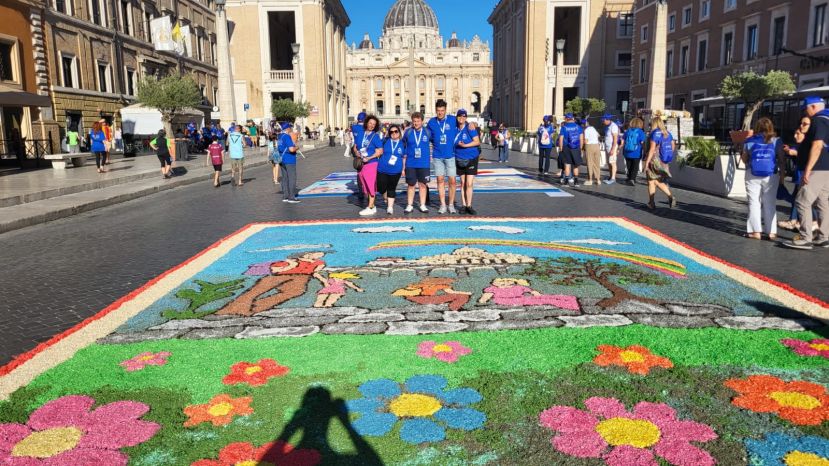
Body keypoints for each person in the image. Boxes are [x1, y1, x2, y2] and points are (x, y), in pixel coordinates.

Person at [782, 96, 829, 250]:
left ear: (813, 107)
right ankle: (824, 236)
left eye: (805, 108)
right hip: (826, 168)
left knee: (802, 201)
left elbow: (817, 146)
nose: (805, 112)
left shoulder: (819, 120)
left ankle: (805, 237)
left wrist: (807, 170)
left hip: (817, 168)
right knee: (822, 203)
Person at [216, 252, 327, 316]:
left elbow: (315, 272)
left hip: (302, 278)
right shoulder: (290, 261)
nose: (318, 256)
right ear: (307, 254)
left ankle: (255, 307)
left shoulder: (319, 263)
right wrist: (291, 265)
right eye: (317, 253)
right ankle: (231, 309)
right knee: (257, 290)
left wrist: (324, 281)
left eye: (320, 255)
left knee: (296, 291)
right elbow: (275, 270)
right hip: (278, 276)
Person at [741, 117, 783, 241]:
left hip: (752, 174)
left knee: (754, 202)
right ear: (771, 127)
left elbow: (744, 160)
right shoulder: (776, 141)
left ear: (757, 127)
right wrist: (782, 176)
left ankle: (755, 232)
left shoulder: (749, 140)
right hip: (771, 175)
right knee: (770, 203)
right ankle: (771, 232)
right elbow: (781, 159)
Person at [780, 118, 813, 231]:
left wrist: (795, 153)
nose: (795, 136)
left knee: (803, 200)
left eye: (797, 133)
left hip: (805, 176)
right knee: (797, 199)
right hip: (798, 176)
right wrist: (789, 151)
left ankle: (800, 221)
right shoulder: (798, 146)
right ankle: (794, 220)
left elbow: (811, 157)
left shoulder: (808, 146)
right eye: (795, 133)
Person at [428, 99, 459, 214]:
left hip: (450, 155)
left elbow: (462, 124)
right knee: (440, 180)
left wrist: (471, 124)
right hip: (437, 156)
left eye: (442, 110)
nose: (440, 113)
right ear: (435, 111)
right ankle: (442, 204)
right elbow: (429, 137)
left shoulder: (452, 120)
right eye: (438, 110)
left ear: (446, 110)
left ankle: (451, 204)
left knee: (452, 181)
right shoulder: (431, 122)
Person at [643, 116, 677, 209]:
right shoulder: (668, 133)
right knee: (655, 181)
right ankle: (655, 201)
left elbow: (652, 149)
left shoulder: (654, 133)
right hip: (663, 161)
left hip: (654, 161)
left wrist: (647, 162)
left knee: (653, 181)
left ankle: (662, 199)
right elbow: (673, 146)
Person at [403, 112, 432, 214]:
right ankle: (409, 205)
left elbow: (436, 142)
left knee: (423, 185)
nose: (416, 123)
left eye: (418, 121)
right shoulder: (408, 132)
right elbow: (403, 144)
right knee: (411, 185)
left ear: (422, 121)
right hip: (411, 163)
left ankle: (422, 205)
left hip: (424, 163)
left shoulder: (427, 132)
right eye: (414, 121)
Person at [356, 115, 384, 216]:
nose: (371, 125)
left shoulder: (375, 136)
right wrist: (356, 153)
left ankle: (370, 206)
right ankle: (373, 206)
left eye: (374, 124)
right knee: (364, 185)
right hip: (361, 163)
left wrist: (370, 157)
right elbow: (355, 147)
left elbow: (380, 151)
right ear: (366, 122)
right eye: (370, 123)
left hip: (371, 163)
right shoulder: (360, 134)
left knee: (370, 184)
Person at [455, 109, 481, 215]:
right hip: (459, 158)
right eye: (460, 116)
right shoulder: (454, 128)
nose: (462, 118)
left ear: (466, 117)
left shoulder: (470, 128)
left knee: (469, 183)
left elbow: (477, 141)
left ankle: (469, 205)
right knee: (462, 183)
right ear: (457, 117)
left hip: (471, 158)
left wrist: (465, 145)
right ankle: (464, 204)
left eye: (464, 116)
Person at [378, 123, 405, 215]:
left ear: (399, 132)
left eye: (396, 131)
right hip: (382, 168)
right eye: (391, 132)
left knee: (391, 188)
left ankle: (390, 207)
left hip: (396, 170)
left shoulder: (403, 143)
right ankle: (386, 197)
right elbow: (377, 148)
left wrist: (403, 169)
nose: (394, 133)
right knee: (381, 188)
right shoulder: (385, 141)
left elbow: (404, 157)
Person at [557, 113, 583, 186]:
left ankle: (566, 182)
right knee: (575, 165)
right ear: (572, 119)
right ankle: (576, 181)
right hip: (576, 148)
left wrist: (561, 148)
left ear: (566, 119)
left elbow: (561, 138)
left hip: (567, 148)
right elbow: (581, 138)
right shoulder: (578, 127)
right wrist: (580, 148)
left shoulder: (564, 127)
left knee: (567, 165)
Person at [277, 122, 300, 203]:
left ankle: (285, 196)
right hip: (289, 159)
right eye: (290, 127)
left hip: (281, 159)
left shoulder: (279, 136)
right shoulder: (287, 137)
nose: (291, 129)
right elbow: (291, 149)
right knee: (292, 178)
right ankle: (292, 197)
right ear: (287, 128)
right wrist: (297, 147)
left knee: (285, 178)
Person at [620, 117, 646, 185]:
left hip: (627, 151)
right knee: (635, 166)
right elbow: (642, 142)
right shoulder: (640, 132)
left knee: (629, 166)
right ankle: (632, 179)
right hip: (636, 152)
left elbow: (623, 140)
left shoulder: (628, 131)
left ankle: (629, 178)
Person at [582, 119, 601, 186]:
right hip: (596, 146)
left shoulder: (586, 130)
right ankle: (598, 179)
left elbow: (586, 141)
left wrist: (582, 144)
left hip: (589, 146)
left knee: (590, 163)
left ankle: (590, 180)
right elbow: (598, 135)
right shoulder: (593, 128)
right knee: (597, 163)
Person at [602, 114, 620, 184]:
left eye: (604, 120)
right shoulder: (607, 126)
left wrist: (613, 149)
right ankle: (610, 177)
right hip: (608, 147)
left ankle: (613, 178)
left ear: (607, 119)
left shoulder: (614, 126)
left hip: (612, 147)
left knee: (612, 162)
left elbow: (615, 138)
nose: (603, 122)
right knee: (609, 163)